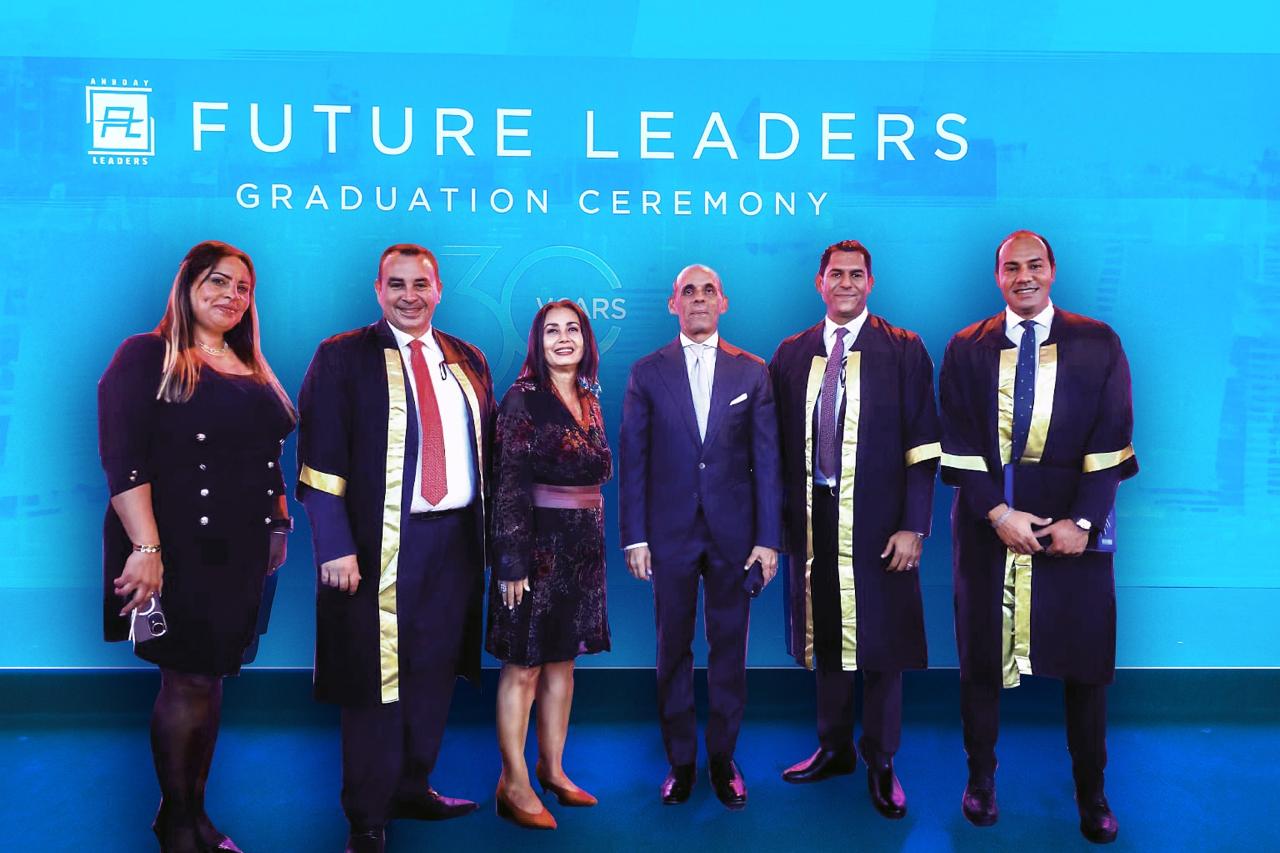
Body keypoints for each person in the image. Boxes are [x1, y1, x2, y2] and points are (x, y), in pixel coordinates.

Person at [939, 230, 1137, 844]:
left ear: (1052, 270)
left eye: (1034, 265)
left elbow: (1112, 435)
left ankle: (1092, 791)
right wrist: (998, 513)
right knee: (980, 660)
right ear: (997, 276)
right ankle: (980, 780)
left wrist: (1083, 523)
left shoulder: (1098, 342)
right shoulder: (967, 347)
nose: (1023, 276)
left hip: (1072, 529)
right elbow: (957, 441)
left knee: (1086, 664)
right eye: (1010, 267)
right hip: (987, 527)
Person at [295, 244, 495, 853]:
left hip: (455, 541)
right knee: (374, 679)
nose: (410, 295)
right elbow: (319, 462)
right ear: (378, 290)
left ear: (439, 290)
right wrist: (334, 546)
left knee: (434, 671)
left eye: (421, 284)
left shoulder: (468, 358)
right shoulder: (342, 356)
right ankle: (367, 814)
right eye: (397, 284)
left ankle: (413, 786)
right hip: (376, 545)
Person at [98, 240, 295, 852]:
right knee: (185, 681)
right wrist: (146, 550)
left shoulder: (250, 363)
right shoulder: (147, 354)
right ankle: (179, 825)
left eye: (242, 288)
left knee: (209, 679)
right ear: (187, 286)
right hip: (174, 547)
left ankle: (190, 814)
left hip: (240, 550)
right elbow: (124, 460)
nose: (231, 295)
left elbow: (267, 456)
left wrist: (278, 523)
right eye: (217, 281)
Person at [769, 240, 940, 820]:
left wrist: (914, 525)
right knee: (826, 636)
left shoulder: (903, 349)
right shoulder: (792, 353)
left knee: (882, 642)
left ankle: (881, 758)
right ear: (819, 282)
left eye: (856, 274)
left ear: (871, 283)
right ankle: (834, 746)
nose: (845, 283)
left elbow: (924, 446)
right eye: (835, 274)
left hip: (880, 519)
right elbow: (772, 447)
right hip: (813, 516)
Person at [619, 264, 782, 810]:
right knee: (672, 649)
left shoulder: (752, 372)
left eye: (708, 290)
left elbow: (767, 462)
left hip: (736, 537)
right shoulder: (647, 372)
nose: (698, 299)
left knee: (730, 649)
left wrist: (768, 539)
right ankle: (681, 761)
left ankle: (722, 758)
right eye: (687, 291)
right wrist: (634, 537)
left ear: (723, 302)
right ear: (673, 304)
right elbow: (634, 460)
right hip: (668, 536)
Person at [485, 299, 612, 830]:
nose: (563, 338)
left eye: (573, 329)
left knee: (563, 662)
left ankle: (552, 769)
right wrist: (511, 562)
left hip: (582, 553)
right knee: (525, 667)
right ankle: (513, 783)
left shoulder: (589, 397)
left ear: (585, 340)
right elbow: (508, 483)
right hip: (534, 553)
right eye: (552, 330)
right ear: (537, 343)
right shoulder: (522, 399)